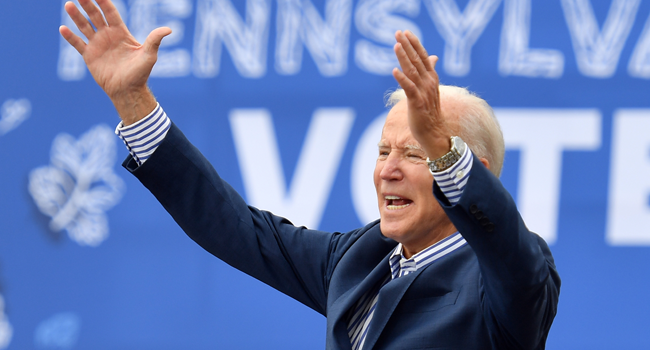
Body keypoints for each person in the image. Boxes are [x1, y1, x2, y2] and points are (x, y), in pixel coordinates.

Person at [59, 0, 560, 348]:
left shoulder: (512, 278)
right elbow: (236, 229)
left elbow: (507, 244)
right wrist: (134, 102)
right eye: (383, 151)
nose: (387, 170)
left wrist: (445, 152)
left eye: (415, 153)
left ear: (475, 170)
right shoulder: (359, 259)